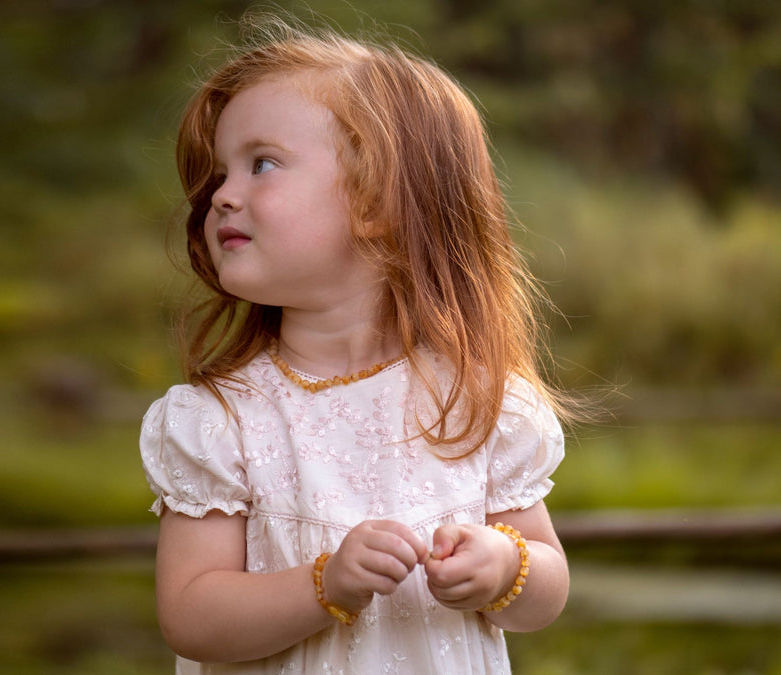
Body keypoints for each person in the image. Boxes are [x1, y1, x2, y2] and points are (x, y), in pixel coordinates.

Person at [141, 13, 573, 674]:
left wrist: (507, 565)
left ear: (377, 201)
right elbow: (192, 614)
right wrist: (325, 583)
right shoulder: (222, 421)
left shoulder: (473, 400)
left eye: (261, 164)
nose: (221, 196)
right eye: (220, 173)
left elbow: (546, 592)